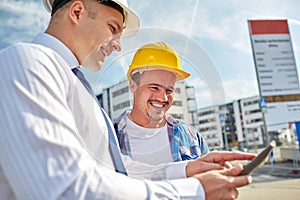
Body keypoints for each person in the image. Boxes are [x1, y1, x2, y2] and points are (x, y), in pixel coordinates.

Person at [0, 0, 256, 199]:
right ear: (77, 12)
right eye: (112, 29)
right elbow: (62, 189)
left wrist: (189, 170)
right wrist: (194, 193)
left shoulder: (77, 87)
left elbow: (117, 171)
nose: (118, 46)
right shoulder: (28, 62)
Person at [114, 41, 210, 165]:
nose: (163, 97)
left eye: (169, 90)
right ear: (133, 86)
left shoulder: (191, 136)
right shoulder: (109, 137)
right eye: (154, 87)